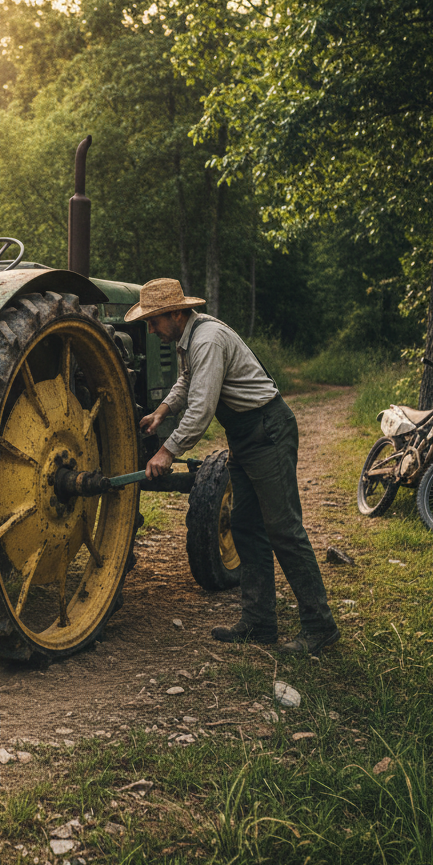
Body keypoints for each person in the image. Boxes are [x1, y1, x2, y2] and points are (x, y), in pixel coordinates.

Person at [124, 278, 339, 654]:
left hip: (267, 430)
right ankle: (259, 622)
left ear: (176, 314)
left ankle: (320, 626)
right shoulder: (190, 338)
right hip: (244, 435)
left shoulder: (207, 340)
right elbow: (187, 381)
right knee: (245, 526)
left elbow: (202, 408)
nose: (151, 329)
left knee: (283, 529)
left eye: (154, 321)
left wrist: (167, 452)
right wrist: (162, 411)